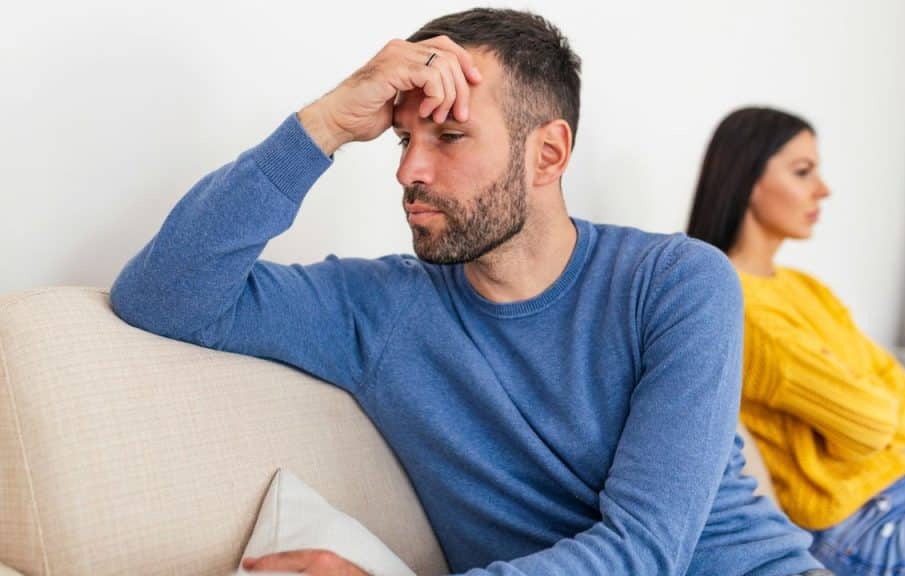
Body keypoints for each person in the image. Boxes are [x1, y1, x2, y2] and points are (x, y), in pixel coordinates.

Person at [111, 10, 826, 575]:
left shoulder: (677, 282)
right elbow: (162, 296)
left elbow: (646, 552)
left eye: (449, 136)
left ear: (547, 153)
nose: (408, 172)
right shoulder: (381, 311)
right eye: (402, 140)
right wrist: (325, 123)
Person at [686, 106, 905, 575]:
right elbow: (869, 424)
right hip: (863, 539)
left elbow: (898, 394)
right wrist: (869, 409)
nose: (823, 189)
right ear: (747, 180)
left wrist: (869, 411)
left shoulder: (806, 288)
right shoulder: (737, 304)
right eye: (803, 172)